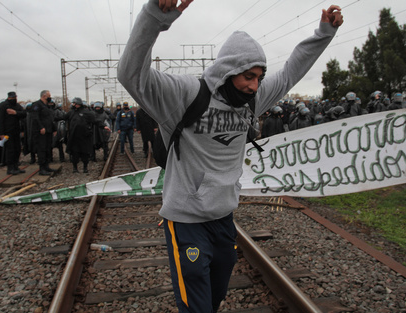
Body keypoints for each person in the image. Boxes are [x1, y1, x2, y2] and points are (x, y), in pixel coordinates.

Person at [117, 1, 343, 312]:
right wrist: (154, 18)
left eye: (259, 77)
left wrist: (325, 32)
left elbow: (291, 72)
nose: (254, 85)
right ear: (229, 70)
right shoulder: (185, 95)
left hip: (223, 218)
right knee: (195, 298)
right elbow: (131, 75)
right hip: (185, 219)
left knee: (216, 293)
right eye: (248, 76)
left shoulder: (253, 100)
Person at [0, 92, 27, 175]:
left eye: (15, 97)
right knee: (10, 150)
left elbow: (24, 114)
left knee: (17, 149)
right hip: (7, 132)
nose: (14, 99)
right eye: (12, 98)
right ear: (9, 97)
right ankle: (10, 168)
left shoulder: (17, 106)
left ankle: (15, 166)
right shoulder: (3, 105)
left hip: (16, 131)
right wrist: (1, 134)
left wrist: (15, 113)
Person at [65, 97, 95, 173]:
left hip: (84, 137)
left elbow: (95, 120)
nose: (73, 105)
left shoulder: (86, 112)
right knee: (74, 154)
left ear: (78, 104)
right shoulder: (71, 112)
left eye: (74, 103)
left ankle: (85, 168)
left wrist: (103, 126)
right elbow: (63, 117)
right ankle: (75, 168)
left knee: (85, 154)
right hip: (74, 137)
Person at [31, 90, 56, 175]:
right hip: (41, 132)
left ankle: (46, 166)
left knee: (47, 148)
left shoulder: (46, 106)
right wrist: (41, 127)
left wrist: (54, 129)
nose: (50, 97)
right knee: (41, 149)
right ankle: (42, 168)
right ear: (44, 96)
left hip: (48, 130)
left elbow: (50, 118)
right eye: (49, 95)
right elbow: (35, 118)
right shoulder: (37, 105)